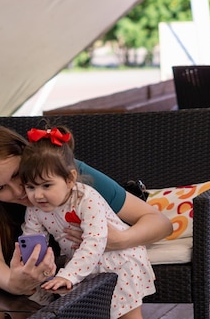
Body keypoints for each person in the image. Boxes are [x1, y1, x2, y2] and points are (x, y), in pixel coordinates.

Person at [0, 123, 172, 296]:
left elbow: (160, 222)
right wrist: (11, 282)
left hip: (29, 231)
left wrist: (120, 239)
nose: (19, 191)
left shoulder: (67, 175)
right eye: (1, 188)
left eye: (19, 175)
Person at [19, 125, 155, 319]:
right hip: (82, 263)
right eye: (30, 187)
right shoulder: (35, 208)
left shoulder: (85, 198)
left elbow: (95, 240)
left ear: (69, 179)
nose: (37, 195)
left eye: (46, 185)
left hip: (118, 260)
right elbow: (32, 239)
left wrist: (69, 274)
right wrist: (33, 265)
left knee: (127, 314)